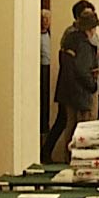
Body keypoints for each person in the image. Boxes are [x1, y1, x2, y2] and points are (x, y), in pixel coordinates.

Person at [42, 0, 99, 163]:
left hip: (71, 91)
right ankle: (78, 159)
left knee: (71, 125)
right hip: (81, 92)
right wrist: (92, 84)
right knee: (82, 128)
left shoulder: (72, 39)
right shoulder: (82, 43)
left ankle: (70, 158)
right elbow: (82, 69)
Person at [39, 9, 53, 137]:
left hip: (49, 66)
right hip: (41, 68)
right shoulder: (37, 36)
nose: (45, 22)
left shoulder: (50, 34)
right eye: (43, 19)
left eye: (47, 20)